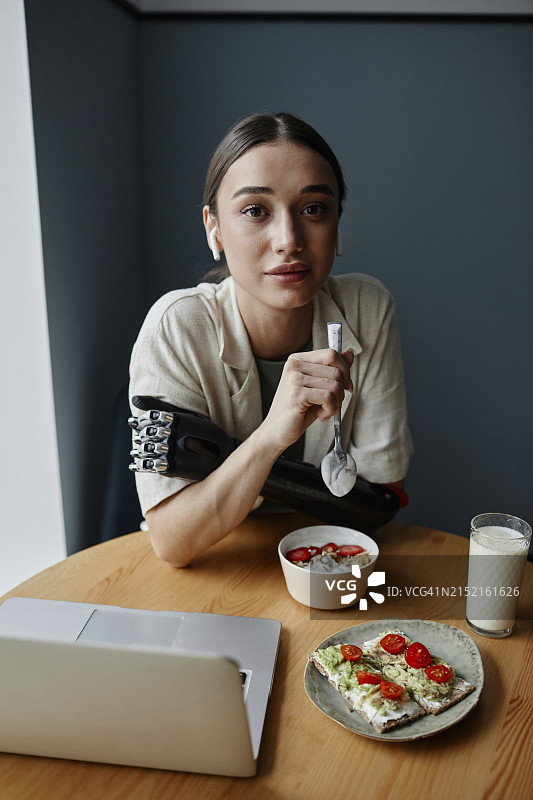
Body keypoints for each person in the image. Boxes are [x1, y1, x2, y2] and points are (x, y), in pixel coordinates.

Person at [129, 112, 413, 567]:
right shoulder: (177, 328)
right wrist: (270, 438)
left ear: (337, 225)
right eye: (255, 211)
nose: (289, 240)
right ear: (213, 228)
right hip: (219, 563)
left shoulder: (367, 308)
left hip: (328, 557)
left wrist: (224, 470)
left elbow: (379, 498)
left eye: (314, 209)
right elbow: (173, 541)